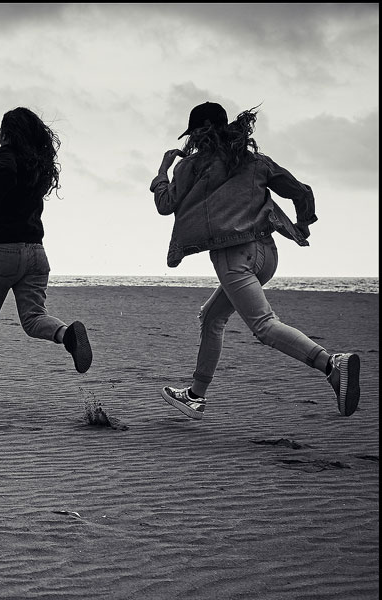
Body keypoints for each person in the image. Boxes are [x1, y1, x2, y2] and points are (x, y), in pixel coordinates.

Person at [152, 101, 359, 419]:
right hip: (267, 254)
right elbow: (301, 192)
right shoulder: (254, 161)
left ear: (195, 134)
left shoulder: (190, 167)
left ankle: (331, 365)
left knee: (263, 326)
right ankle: (195, 396)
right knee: (212, 318)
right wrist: (302, 224)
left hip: (233, 255)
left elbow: (165, 205)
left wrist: (162, 170)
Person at [0, 107, 91, 397]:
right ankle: (67, 335)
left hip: (3, 252)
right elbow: (12, 188)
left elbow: (4, 178)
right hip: (37, 253)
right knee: (32, 318)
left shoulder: (3, 154)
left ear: (7, 133)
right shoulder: (39, 165)